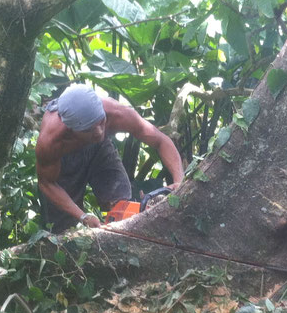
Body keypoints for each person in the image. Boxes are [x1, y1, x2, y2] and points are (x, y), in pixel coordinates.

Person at [35, 84, 184, 233]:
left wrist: (180, 183)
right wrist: (83, 217)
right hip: (64, 161)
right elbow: (48, 183)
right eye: (90, 129)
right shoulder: (51, 141)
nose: (99, 132)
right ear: (71, 129)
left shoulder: (116, 113)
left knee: (121, 203)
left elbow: (161, 141)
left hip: (99, 149)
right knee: (62, 229)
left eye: (101, 122)